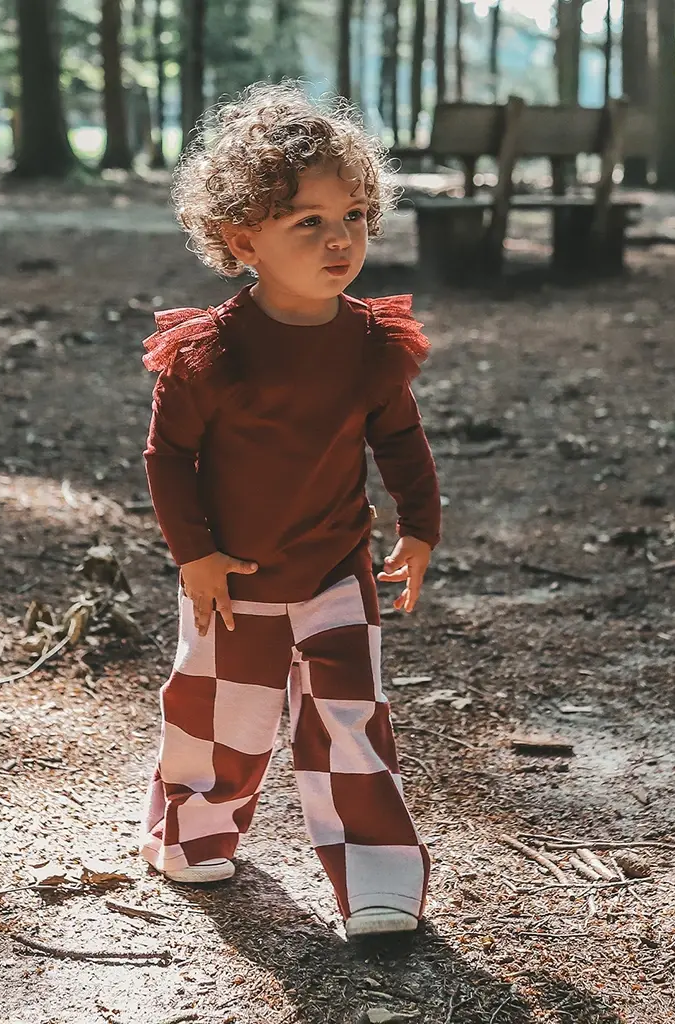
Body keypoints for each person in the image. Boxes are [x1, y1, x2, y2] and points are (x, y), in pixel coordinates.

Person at [138, 82, 441, 939]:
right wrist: (193, 555)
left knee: (352, 725)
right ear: (244, 240)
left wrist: (419, 529)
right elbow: (169, 457)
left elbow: (402, 443)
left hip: (338, 571)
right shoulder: (212, 352)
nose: (339, 237)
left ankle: (377, 880)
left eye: (352, 214)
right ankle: (191, 836)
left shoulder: (371, 345)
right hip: (232, 579)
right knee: (219, 721)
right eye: (307, 222)